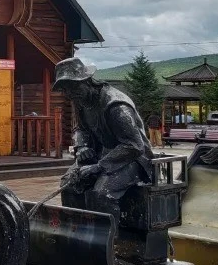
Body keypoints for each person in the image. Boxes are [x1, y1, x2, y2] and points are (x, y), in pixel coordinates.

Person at [51, 57, 155, 210]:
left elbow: (134, 145)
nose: (70, 94)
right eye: (65, 90)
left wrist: (99, 166)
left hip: (133, 160)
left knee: (101, 193)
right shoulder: (81, 101)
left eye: (73, 88)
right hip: (101, 155)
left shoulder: (116, 106)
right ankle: (76, 224)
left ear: (86, 81)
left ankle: (107, 227)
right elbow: (80, 129)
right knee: (69, 184)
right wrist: (82, 146)